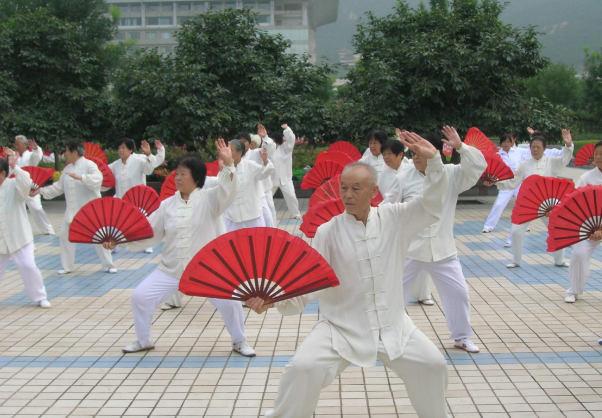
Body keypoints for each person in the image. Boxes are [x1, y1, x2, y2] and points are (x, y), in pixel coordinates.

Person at [246, 132, 451, 418]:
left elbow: (431, 204)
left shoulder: (395, 219)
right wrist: (273, 301)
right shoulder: (328, 232)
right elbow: (308, 284)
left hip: (393, 326)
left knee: (433, 365)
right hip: (341, 327)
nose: (348, 195)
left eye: (356, 188)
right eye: (344, 188)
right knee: (302, 368)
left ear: (374, 191)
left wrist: (435, 163)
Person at [103, 140, 256, 356]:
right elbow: (149, 232)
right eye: (177, 174)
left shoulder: (210, 199)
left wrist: (229, 163)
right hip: (171, 269)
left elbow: (229, 191)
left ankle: (239, 341)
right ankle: (143, 340)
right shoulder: (167, 205)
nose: (178, 178)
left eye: (183, 174)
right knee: (140, 297)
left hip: (207, 270)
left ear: (197, 178)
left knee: (232, 303)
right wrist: (120, 240)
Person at [401, 127, 486, 353]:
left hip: (443, 249)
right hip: (409, 249)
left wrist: (461, 146)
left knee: (458, 293)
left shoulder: (451, 174)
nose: (416, 157)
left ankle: (461, 336)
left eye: (420, 152)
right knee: (392, 293)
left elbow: (478, 166)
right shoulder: (404, 177)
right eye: (414, 153)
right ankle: (384, 333)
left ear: (434, 152)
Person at [33, 139, 117, 275]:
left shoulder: (90, 165)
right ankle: (67, 267)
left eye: (66, 151)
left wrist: (81, 177)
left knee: (100, 237)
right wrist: (40, 191)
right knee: (64, 236)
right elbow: (58, 188)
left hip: (91, 211)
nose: (64, 154)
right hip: (72, 211)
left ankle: (108, 265)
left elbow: (98, 179)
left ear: (74, 152)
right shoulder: (67, 168)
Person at [491, 130, 574, 268]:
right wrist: (496, 182)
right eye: (533, 147)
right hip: (529, 204)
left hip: (548, 204)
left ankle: (559, 260)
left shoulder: (551, 162)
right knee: (517, 231)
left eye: (538, 147)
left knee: (558, 228)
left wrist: (568, 145)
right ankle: (516, 260)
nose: (535, 150)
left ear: (544, 149)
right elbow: (513, 180)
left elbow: (564, 159)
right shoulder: (525, 164)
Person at [0, 153, 51, 308]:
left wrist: (15, 167)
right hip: (1, 238)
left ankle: (40, 296)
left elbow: (27, 182)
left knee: (28, 265)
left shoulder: (14, 184)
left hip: (19, 236)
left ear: (2, 173)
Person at [108, 138, 165, 254]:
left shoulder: (139, 160)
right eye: (119, 148)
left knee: (142, 222)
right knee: (118, 222)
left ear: (131, 150)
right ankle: (115, 243)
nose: (121, 150)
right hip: (121, 198)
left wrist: (150, 153)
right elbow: (103, 173)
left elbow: (149, 169)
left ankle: (147, 244)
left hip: (138, 199)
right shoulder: (115, 165)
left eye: (123, 148)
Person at [565, 141, 602, 304]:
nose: (599, 157)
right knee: (578, 255)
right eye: (597, 154)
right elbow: (574, 202)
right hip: (587, 227)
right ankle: (573, 291)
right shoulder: (586, 177)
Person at [482, 133, 525, 248]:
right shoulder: (497, 155)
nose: (506, 144)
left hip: (518, 181)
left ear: (512, 142)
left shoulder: (519, 152)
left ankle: (525, 225)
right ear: (501, 143)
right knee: (499, 204)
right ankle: (488, 226)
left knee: (523, 204)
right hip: (505, 182)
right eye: (504, 141)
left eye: (508, 141)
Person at [7, 135, 55, 235]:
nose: (16, 146)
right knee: (14, 210)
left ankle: (48, 229)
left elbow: (37, 156)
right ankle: (14, 231)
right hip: (17, 188)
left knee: (37, 209)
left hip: (31, 188)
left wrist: (36, 149)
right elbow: (9, 170)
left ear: (25, 145)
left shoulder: (30, 155)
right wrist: (8, 156)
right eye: (15, 144)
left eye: (18, 144)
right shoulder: (13, 155)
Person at [223, 139, 274, 231]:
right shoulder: (224, 168)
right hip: (233, 213)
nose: (228, 153)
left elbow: (265, 173)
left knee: (259, 239)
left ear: (239, 153)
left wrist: (265, 160)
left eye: (231, 150)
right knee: (229, 241)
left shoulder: (250, 165)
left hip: (252, 211)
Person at [237, 132, 276, 228]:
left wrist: (265, 137)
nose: (242, 143)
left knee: (268, 213)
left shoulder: (257, 152)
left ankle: (273, 233)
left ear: (250, 144)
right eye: (240, 141)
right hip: (247, 192)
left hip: (263, 190)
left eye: (244, 141)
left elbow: (270, 148)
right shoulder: (235, 157)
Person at [265, 124, 301, 220]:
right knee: (265, 197)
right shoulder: (268, 150)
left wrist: (287, 129)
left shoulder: (286, 148)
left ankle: (296, 214)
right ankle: (264, 214)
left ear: (277, 141)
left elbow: (291, 140)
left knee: (291, 196)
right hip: (272, 179)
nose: (271, 143)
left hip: (285, 178)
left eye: (273, 141)